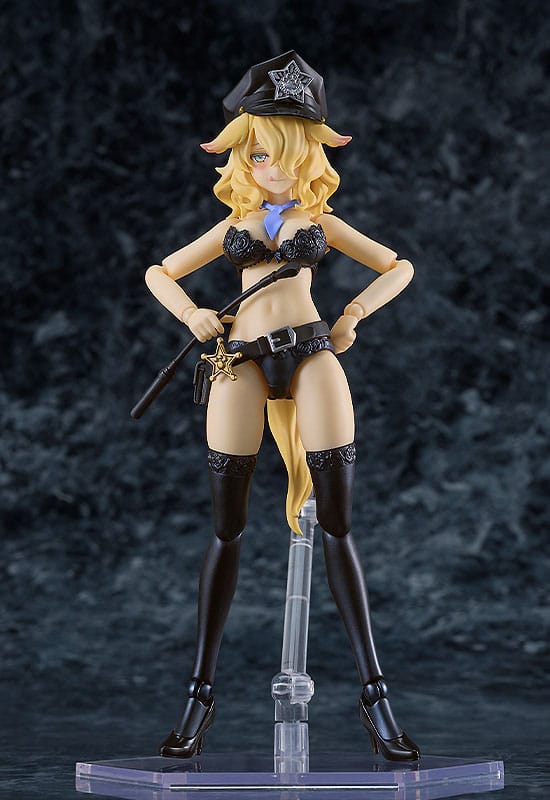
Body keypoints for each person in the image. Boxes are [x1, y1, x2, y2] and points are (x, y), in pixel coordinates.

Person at [144, 51, 420, 762]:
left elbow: (399, 265)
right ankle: (200, 693)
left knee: (337, 525)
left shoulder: (320, 221)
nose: (276, 168)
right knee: (226, 527)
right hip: (239, 361)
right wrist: (192, 313)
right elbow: (159, 271)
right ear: (243, 154)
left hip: (312, 354)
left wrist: (354, 313)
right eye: (263, 153)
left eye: (290, 154)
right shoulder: (233, 224)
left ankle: (375, 694)